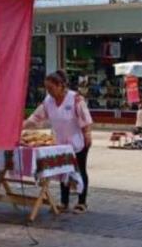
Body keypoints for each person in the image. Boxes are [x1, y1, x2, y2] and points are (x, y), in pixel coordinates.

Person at [25, 70, 93, 214]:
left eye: (51, 88)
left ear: (61, 85)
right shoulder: (48, 101)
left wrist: (87, 134)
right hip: (60, 142)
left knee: (80, 170)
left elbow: (85, 118)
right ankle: (64, 202)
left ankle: (82, 202)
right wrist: (21, 125)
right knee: (63, 170)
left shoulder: (75, 99)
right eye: (47, 88)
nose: (48, 91)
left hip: (77, 141)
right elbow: (36, 118)